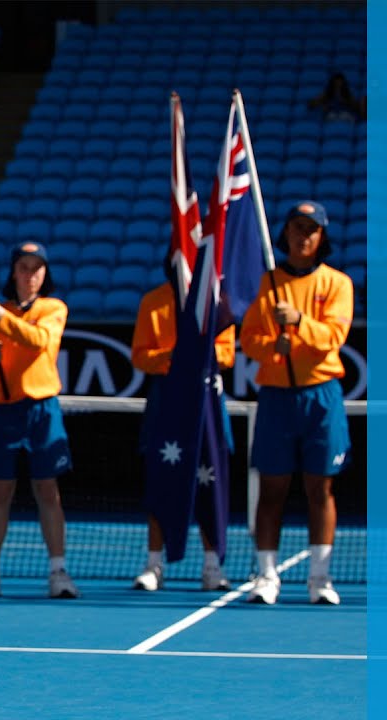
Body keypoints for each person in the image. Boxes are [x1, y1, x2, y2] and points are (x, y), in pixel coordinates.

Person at [240, 201, 353, 606]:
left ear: (322, 237)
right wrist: (274, 344)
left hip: (320, 395)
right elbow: (249, 338)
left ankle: (320, 577)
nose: (303, 236)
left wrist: (300, 323)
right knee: (271, 489)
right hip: (276, 396)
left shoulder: (337, 283)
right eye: (296, 228)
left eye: (312, 229)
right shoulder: (268, 282)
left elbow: (333, 338)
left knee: (320, 488)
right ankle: (266, 575)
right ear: (284, 234)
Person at [0, 242, 78, 599]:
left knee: (48, 490)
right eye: (24, 267)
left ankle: (58, 570)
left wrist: (1, 317)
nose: (30, 275)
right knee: (0, 490)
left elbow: (40, 341)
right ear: (14, 271)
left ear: (45, 274)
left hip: (42, 408)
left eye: (37, 268)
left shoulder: (52, 308)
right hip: (4, 409)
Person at [130, 271, 236, 592]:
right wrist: (171, 359)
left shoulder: (217, 302)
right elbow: (140, 355)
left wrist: (194, 356)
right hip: (166, 400)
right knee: (161, 481)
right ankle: (154, 564)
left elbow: (228, 353)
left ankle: (212, 565)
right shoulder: (154, 301)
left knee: (209, 482)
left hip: (205, 400)